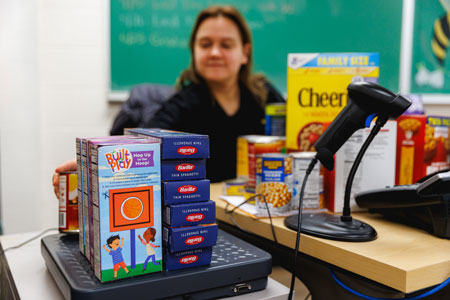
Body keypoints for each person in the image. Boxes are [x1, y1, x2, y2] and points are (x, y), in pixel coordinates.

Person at [52, 5, 284, 193]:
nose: (214, 52)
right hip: (205, 216)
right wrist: (94, 166)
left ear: (245, 52)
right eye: (205, 44)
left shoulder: (263, 95)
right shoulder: (184, 103)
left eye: (226, 45)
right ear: (194, 51)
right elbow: (144, 143)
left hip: (262, 208)